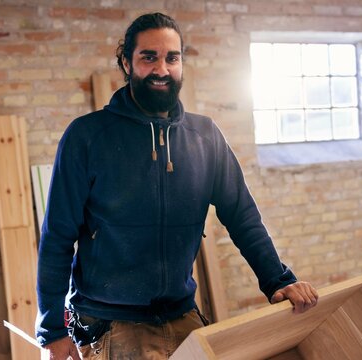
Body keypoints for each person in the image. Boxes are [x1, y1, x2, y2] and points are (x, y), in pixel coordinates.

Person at [36, 12, 318, 360]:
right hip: (110, 326)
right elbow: (57, 238)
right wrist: (52, 330)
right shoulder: (87, 137)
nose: (162, 69)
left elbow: (242, 215)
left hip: (182, 316)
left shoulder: (205, 137)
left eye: (172, 58)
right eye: (148, 57)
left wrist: (278, 280)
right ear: (127, 62)